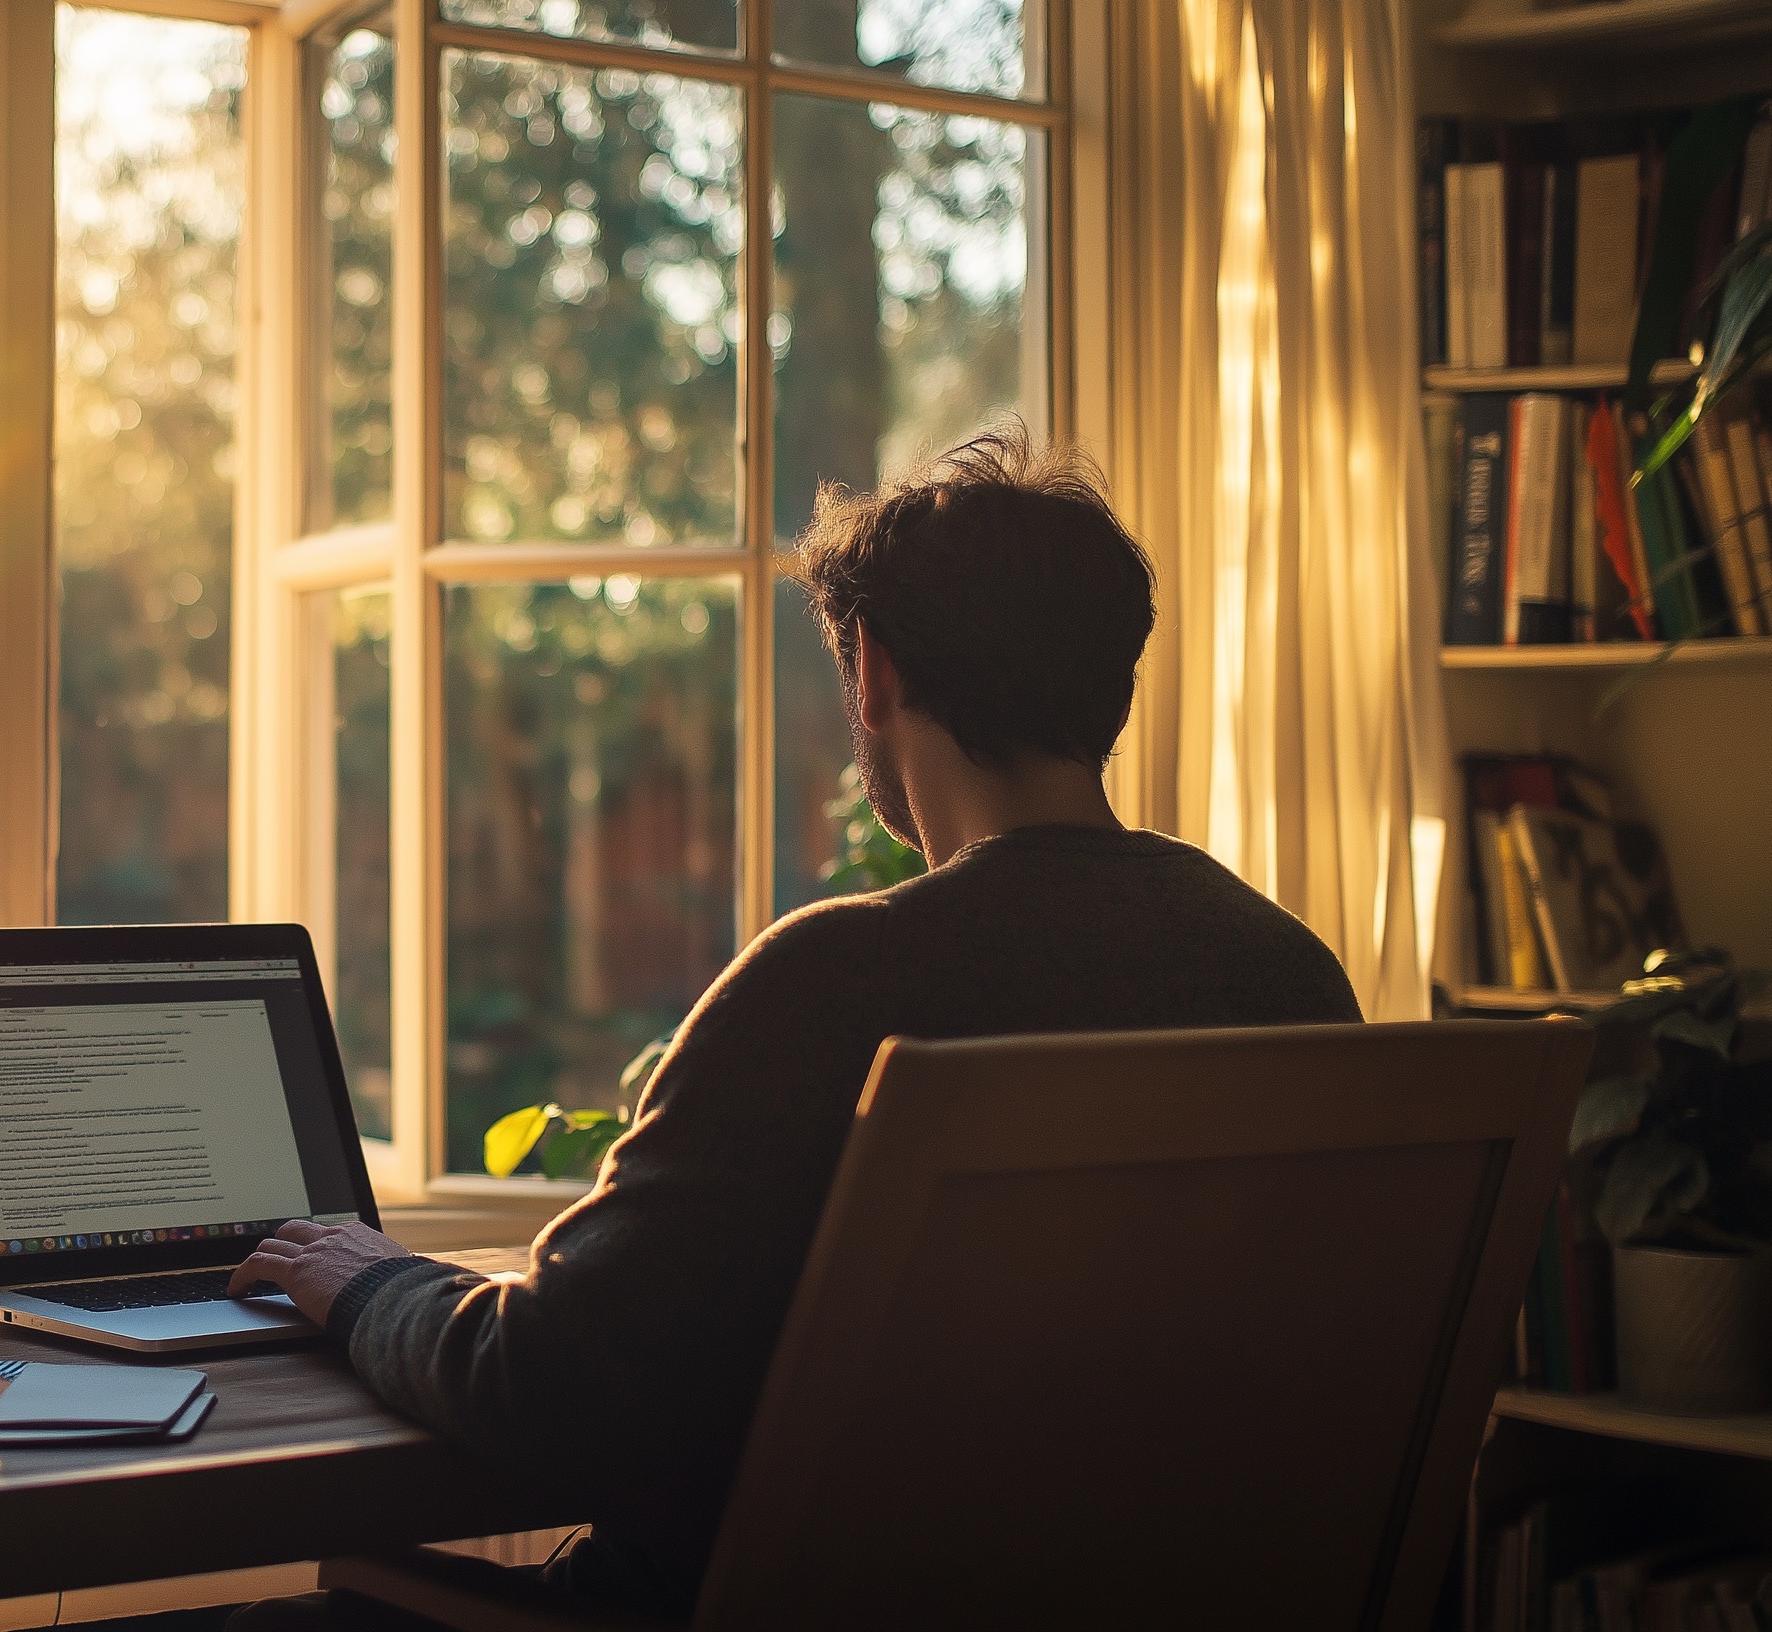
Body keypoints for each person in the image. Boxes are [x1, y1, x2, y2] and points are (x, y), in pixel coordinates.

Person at [226, 426, 1364, 1627]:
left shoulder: (840, 980)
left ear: (870, 670)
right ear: (1114, 678)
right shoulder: (1288, 976)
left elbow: (546, 1390)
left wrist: (368, 1281)